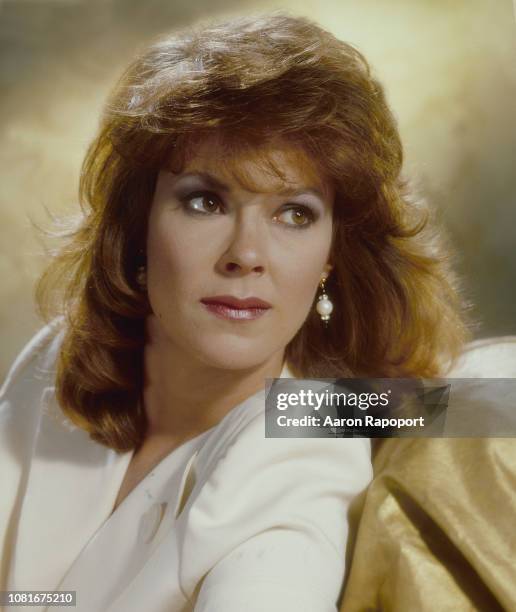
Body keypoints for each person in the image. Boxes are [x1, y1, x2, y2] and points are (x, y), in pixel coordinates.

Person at [0, 12, 468, 612]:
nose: (246, 256)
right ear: (138, 225)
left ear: (332, 254)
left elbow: (476, 404)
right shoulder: (61, 354)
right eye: (204, 201)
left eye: (294, 213)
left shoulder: (301, 444)